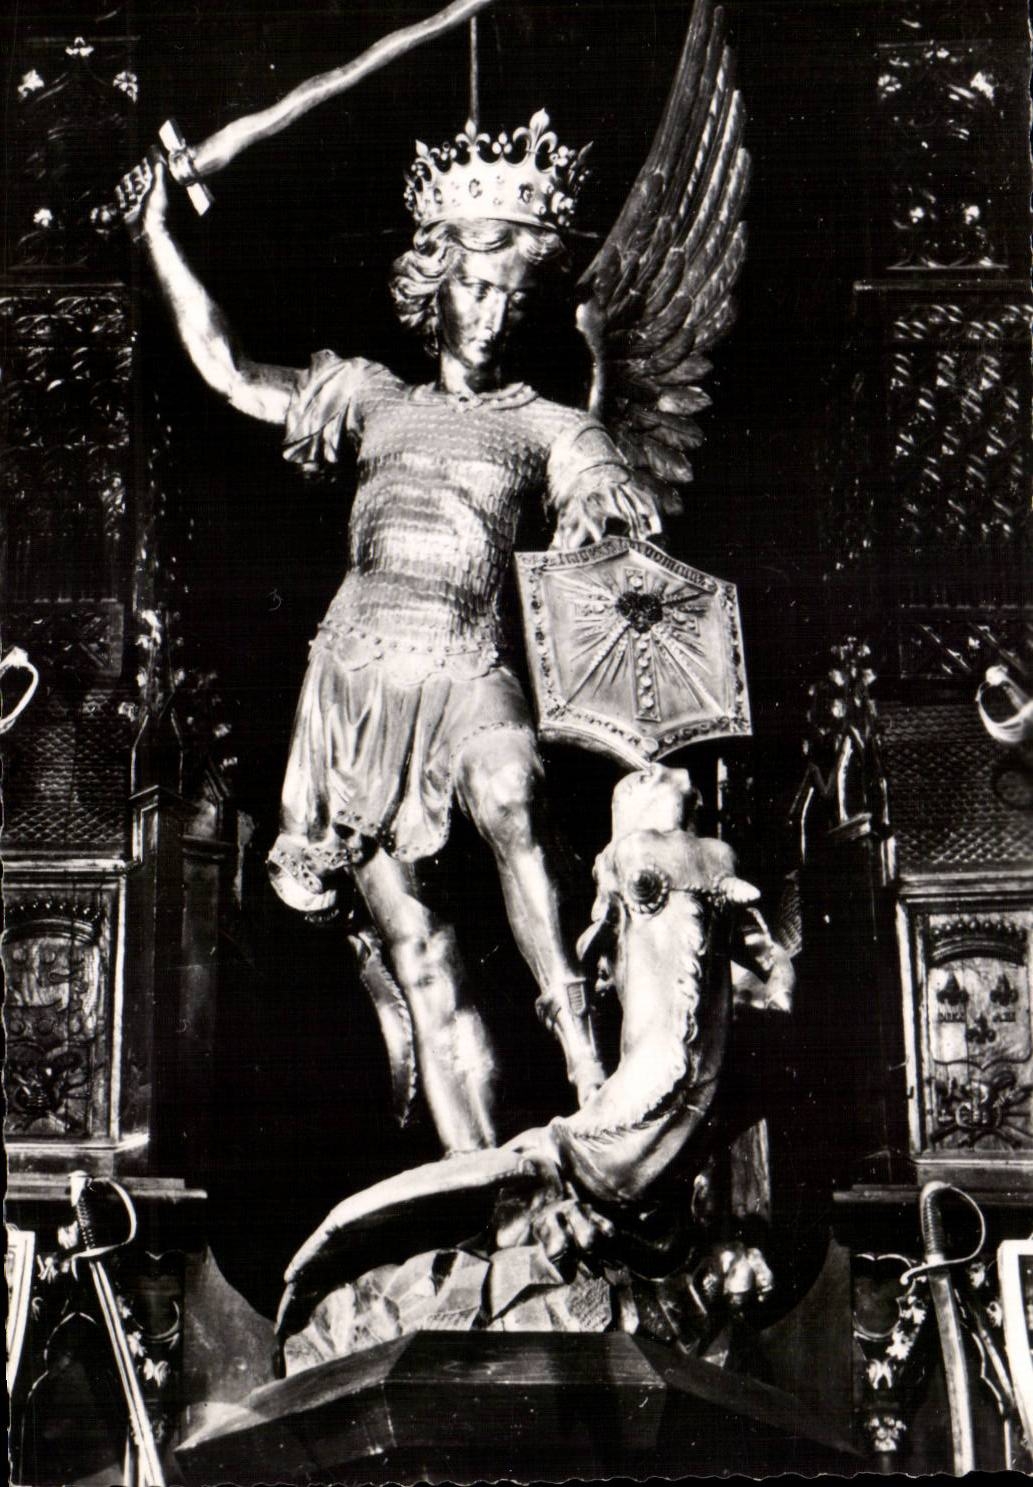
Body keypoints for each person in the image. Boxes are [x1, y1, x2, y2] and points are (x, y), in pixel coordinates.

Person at [117, 115, 663, 1156]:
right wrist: (156, 234)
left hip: (469, 665)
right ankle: (480, 1179)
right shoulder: (367, 397)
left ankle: (593, 1068)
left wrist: (600, 499)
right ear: (435, 286)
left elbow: (605, 484)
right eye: (473, 284)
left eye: (509, 289)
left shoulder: (545, 422)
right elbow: (227, 368)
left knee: (509, 788)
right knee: (417, 946)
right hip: (357, 678)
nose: (492, 308)